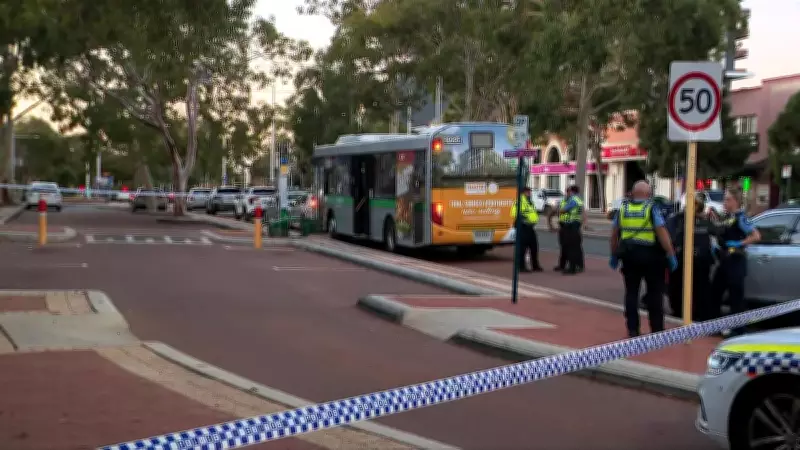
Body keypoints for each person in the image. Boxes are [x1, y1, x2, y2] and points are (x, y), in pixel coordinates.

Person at [609, 180, 678, 337]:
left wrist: (614, 255)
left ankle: (633, 329)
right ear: (648, 194)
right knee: (655, 293)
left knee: (631, 293)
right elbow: (662, 233)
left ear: (633, 193)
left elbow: (614, 235)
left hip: (629, 257)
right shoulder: (652, 208)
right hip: (652, 258)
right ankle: (657, 329)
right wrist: (671, 254)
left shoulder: (623, 209)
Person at [709, 188, 761, 336]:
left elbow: (756, 235)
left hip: (736, 261)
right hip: (724, 261)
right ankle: (714, 327)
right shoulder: (728, 217)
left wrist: (740, 243)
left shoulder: (741, 218)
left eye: (728, 199)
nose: (725, 202)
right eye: (724, 199)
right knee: (715, 293)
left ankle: (738, 331)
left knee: (736, 299)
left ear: (736, 201)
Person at [666, 191, 716, 320]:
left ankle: (700, 314)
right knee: (678, 286)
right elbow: (671, 237)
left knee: (701, 288)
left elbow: (717, 233)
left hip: (700, 260)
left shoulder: (705, 220)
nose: (696, 209)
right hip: (683, 258)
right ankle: (680, 311)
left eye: (698, 206)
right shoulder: (678, 219)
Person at [511, 186, 543, 273]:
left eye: (530, 192)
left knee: (534, 247)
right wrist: (524, 220)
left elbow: (532, 213)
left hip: (530, 227)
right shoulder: (520, 201)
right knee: (522, 249)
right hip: (523, 227)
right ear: (523, 192)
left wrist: (533, 220)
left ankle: (535, 266)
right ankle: (521, 267)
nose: (530, 193)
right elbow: (514, 212)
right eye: (528, 192)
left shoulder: (529, 202)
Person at [554, 185, 585, 275]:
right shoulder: (578, 200)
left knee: (572, 248)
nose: (568, 193)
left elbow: (564, 210)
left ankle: (572, 268)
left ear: (571, 191)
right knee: (571, 247)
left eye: (569, 191)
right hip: (572, 225)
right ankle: (572, 266)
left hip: (571, 226)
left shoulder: (573, 200)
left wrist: (558, 210)